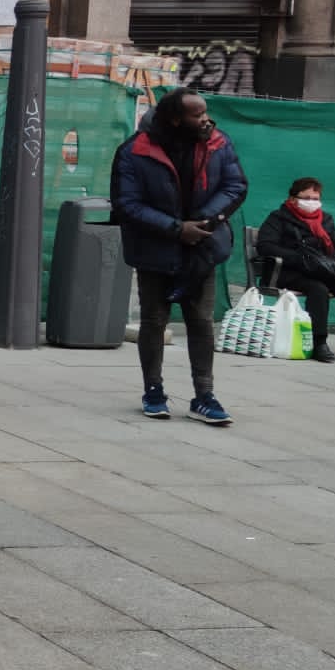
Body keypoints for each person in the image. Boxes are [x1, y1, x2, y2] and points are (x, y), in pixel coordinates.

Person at [111, 89, 248, 424]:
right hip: (155, 249)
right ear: (175, 119)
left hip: (202, 246)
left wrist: (206, 221)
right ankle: (153, 391)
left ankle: (204, 396)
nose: (205, 119)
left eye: (205, 112)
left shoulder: (218, 143)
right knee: (154, 322)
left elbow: (235, 186)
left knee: (201, 323)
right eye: (197, 114)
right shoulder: (135, 150)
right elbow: (127, 204)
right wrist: (176, 228)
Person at [257, 178, 335, 365]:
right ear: (293, 198)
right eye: (307, 198)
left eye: (315, 198)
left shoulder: (325, 219)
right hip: (289, 272)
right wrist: (298, 258)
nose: (312, 202)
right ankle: (318, 343)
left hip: (321, 271)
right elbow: (265, 246)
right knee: (318, 289)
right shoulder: (278, 218)